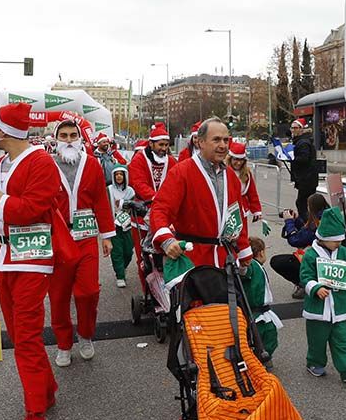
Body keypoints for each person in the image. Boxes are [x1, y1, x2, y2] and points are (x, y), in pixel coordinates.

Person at [0, 102, 66, 420]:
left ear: (7, 131)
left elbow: (31, 209)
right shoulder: (0, 164)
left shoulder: (41, 162)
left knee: (26, 337)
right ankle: (47, 389)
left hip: (32, 258)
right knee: (18, 333)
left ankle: (35, 415)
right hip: (3, 256)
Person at [48, 116, 115, 367]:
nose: (68, 140)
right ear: (56, 139)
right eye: (63, 136)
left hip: (87, 237)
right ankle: (63, 343)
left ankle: (85, 334)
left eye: (72, 136)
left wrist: (107, 236)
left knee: (88, 291)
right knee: (58, 296)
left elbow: (100, 200)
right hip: (59, 239)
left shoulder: (92, 164)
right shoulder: (47, 164)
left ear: (79, 138)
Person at [151, 117, 252, 268]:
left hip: (226, 258)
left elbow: (236, 218)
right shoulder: (182, 172)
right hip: (192, 259)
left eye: (226, 140)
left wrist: (244, 253)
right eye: (216, 140)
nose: (223, 145)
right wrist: (167, 240)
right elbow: (160, 209)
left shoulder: (231, 176)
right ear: (200, 142)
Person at [299, 206, 346, 384]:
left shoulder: (342, 252)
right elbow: (305, 277)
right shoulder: (310, 255)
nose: (339, 244)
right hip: (318, 307)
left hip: (340, 305)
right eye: (336, 241)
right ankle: (314, 362)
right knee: (317, 340)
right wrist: (315, 288)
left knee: (342, 340)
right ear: (324, 239)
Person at [128, 122, 177, 291]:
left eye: (166, 145)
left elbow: (178, 182)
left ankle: (167, 290)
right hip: (142, 216)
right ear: (151, 144)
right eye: (161, 145)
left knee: (167, 253)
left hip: (165, 217)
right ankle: (147, 290)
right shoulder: (139, 160)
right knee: (144, 257)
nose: (164, 148)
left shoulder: (171, 161)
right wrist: (158, 197)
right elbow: (138, 182)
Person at [270, 194, 330, 299]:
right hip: (326, 261)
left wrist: (289, 221)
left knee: (277, 261)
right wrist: (297, 220)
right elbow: (305, 233)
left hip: (314, 261)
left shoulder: (316, 224)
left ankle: (304, 283)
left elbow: (295, 241)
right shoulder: (327, 218)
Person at [241, 236, 283, 358]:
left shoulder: (256, 265)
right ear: (260, 252)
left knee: (264, 335)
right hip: (256, 310)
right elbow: (245, 273)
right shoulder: (252, 265)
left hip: (259, 310)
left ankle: (260, 357)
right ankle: (260, 359)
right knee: (266, 336)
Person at [108, 166, 135, 289]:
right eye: (116, 174)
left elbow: (134, 208)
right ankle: (120, 276)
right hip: (113, 225)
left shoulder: (130, 191)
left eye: (121, 174)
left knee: (128, 251)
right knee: (117, 251)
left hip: (127, 225)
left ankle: (122, 267)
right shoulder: (108, 190)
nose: (119, 176)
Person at [289, 118, 319, 223]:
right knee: (305, 203)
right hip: (306, 178)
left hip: (306, 178)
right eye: (292, 128)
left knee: (302, 203)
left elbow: (304, 159)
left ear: (301, 129)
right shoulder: (301, 141)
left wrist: (291, 158)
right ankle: (309, 223)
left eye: (296, 128)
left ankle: (307, 224)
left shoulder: (303, 143)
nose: (293, 130)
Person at [228, 141, 263, 222]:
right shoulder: (223, 172)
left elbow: (252, 193)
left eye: (241, 160)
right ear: (230, 159)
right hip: (227, 210)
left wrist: (256, 211)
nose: (239, 163)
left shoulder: (246, 174)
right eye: (236, 159)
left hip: (242, 210)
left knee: (243, 234)